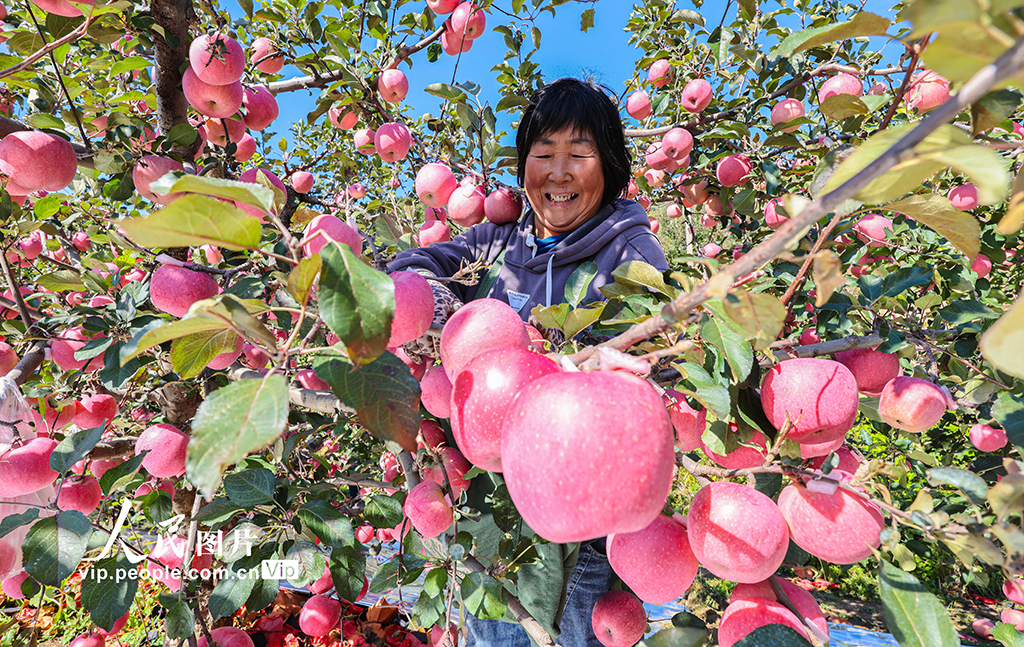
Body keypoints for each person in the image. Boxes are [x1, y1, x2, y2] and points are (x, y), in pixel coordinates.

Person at [388, 77, 668, 647]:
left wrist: (608, 361)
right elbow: (414, 266)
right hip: (489, 505)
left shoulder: (630, 253)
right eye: (543, 155)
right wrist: (436, 302)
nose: (558, 173)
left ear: (609, 167)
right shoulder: (495, 241)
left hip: (588, 511)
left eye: (578, 156)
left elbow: (660, 363)